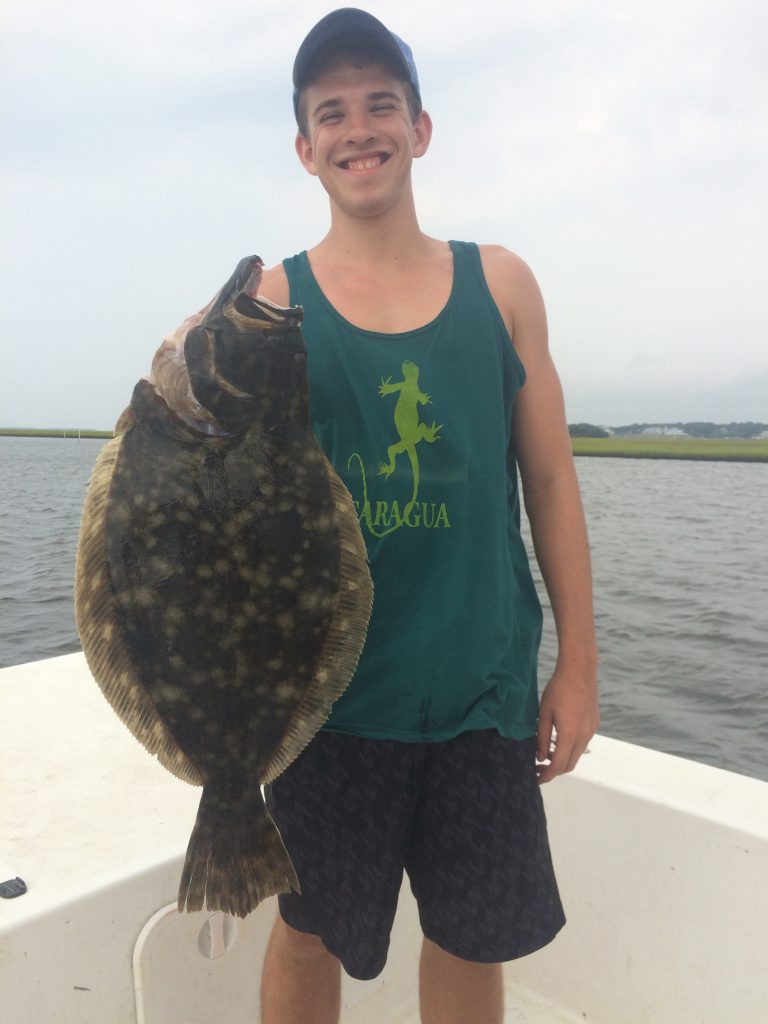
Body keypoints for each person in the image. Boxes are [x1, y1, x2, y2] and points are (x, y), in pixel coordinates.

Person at [250, 10, 599, 1024]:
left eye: (380, 105)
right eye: (333, 114)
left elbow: (550, 479)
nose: (360, 129)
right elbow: (215, 475)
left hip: (481, 695)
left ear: (421, 126)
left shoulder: (503, 283)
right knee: (309, 930)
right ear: (306, 150)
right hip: (325, 703)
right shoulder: (276, 303)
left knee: (468, 933)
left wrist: (577, 663)